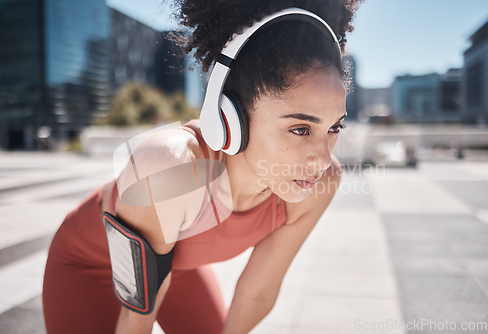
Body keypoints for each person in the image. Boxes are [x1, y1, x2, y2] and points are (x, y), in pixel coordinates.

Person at [42, 0, 364, 333]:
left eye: (335, 128)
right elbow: (136, 320)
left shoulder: (320, 181)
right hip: (89, 263)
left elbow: (257, 293)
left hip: (174, 268)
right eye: (300, 129)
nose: (322, 159)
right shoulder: (170, 165)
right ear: (229, 118)